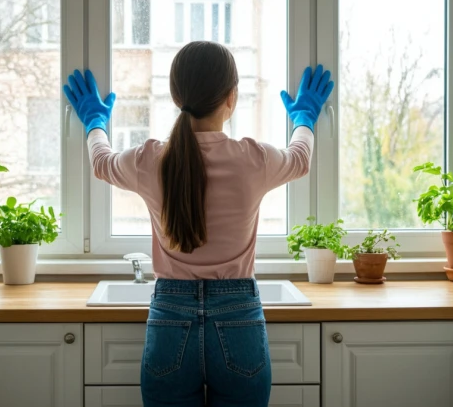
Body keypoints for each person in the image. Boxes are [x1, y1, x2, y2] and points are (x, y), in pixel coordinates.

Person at [64, 41, 333, 407]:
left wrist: (95, 121)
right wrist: (304, 117)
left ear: (176, 96)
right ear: (231, 97)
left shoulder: (150, 159)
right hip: (239, 315)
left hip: (169, 321)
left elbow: (102, 162)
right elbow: (300, 159)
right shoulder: (252, 159)